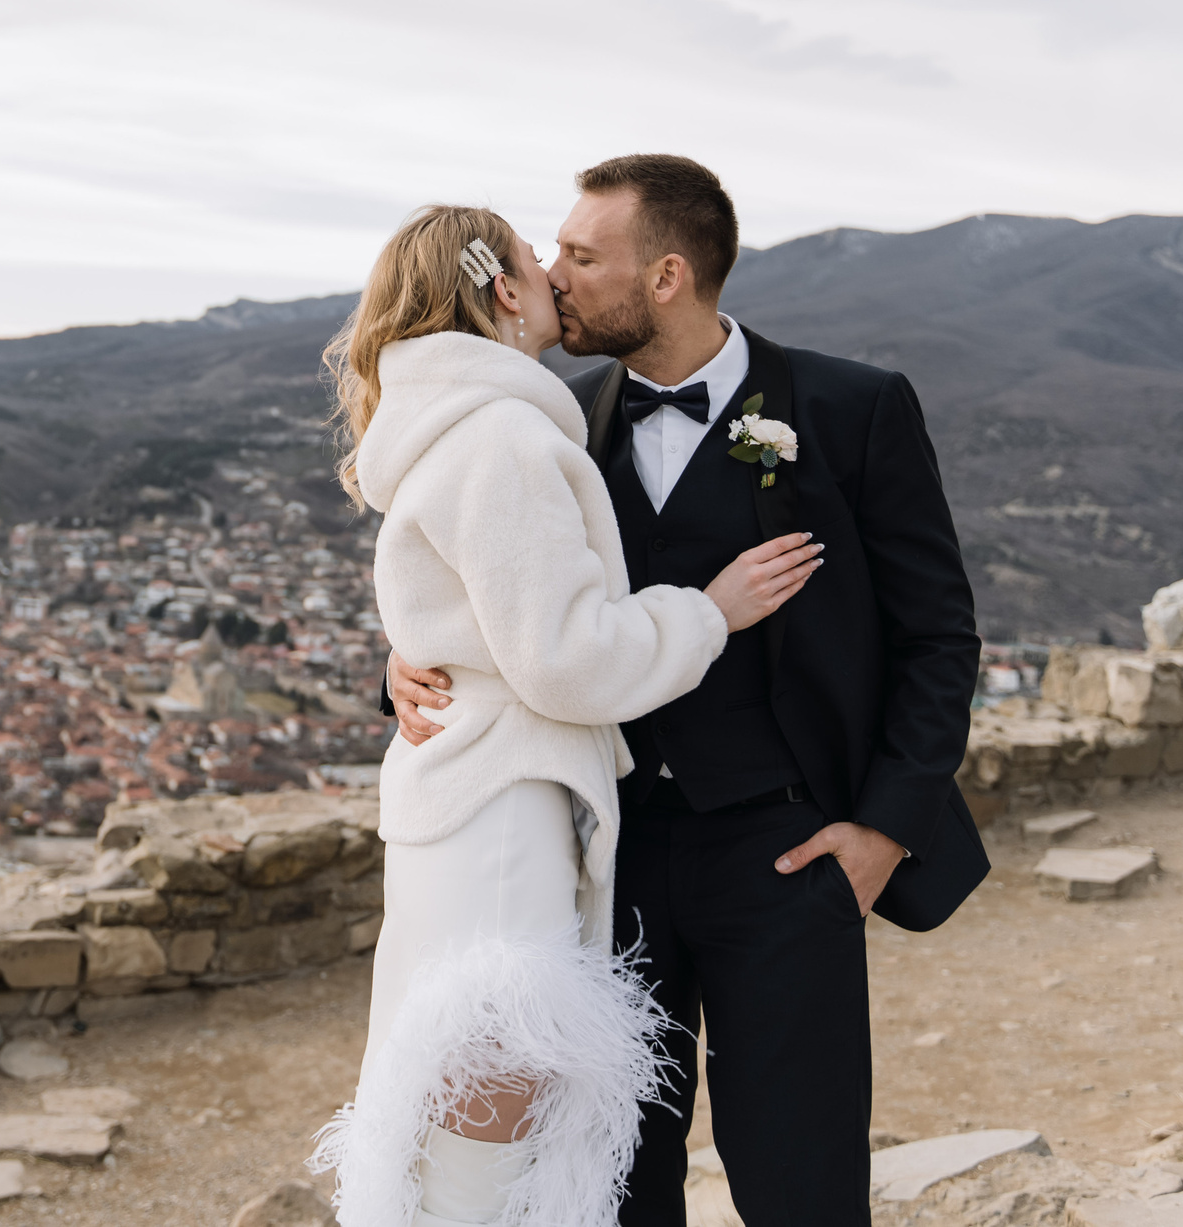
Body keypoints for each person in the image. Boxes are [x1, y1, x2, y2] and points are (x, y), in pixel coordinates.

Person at [387, 156, 988, 1227]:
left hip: (791, 852)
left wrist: (883, 830)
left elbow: (937, 635)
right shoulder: (550, 422)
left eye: (581, 255)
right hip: (607, 860)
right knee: (615, 1177)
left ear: (665, 277)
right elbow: (485, 593)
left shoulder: (851, 409)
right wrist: (402, 668)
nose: (554, 275)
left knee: (802, 1173)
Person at [310, 203, 823, 1227]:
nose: (553, 272)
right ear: (502, 291)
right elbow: (563, 662)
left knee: (459, 1062)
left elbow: (468, 616)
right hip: (503, 799)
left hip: (464, 782)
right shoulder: (503, 435)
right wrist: (705, 612)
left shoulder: (444, 425)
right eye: (536, 260)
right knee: (496, 1071)